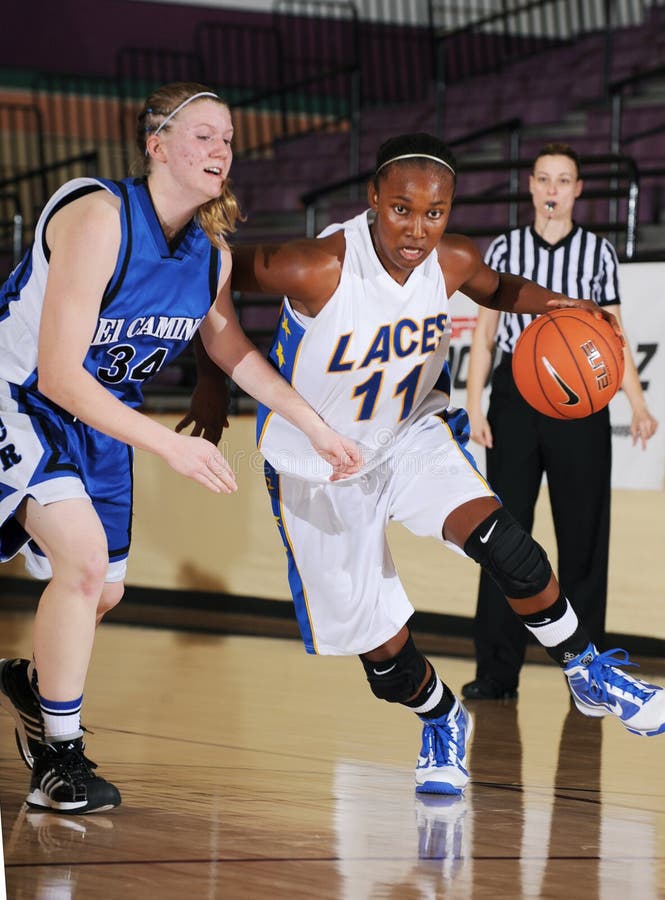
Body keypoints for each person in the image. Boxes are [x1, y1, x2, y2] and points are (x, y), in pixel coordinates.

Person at [231, 132, 665, 797]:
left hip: (406, 435)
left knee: (506, 546)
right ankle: (439, 717)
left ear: (450, 210)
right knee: (383, 663)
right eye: (401, 209)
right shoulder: (315, 265)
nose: (416, 228)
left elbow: (502, 289)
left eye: (433, 213)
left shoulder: (453, 261)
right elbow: (203, 285)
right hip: (314, 464)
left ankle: (587, 670)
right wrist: (210, 385)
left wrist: (563, 308)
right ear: (373, 197)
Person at [0, 82, 361, 815]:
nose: (220, 148)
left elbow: (233, 354)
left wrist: (316, 425)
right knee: (83, 563)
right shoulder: (97, 216)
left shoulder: (211, 259)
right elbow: (63, 374)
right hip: (22, 396)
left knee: (101, 591)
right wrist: (169, 447)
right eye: (202, 134)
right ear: (155, 144)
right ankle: (59, 759)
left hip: (99, 422)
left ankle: (37, 694)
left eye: (227, 138)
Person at [462, 143, 658, 701]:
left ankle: (588, 676)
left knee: (584, 539)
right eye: (544, 178)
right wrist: (475, 405)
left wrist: (638, 404)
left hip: (580, 405)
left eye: (564, 179)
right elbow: (481, 336)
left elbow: (613, 337)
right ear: (530, 186)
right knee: (503, 537)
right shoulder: (504, 248)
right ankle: (498, 672)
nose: (553, 189)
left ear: (577, 190)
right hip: (516, 398)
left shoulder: (597, 253)